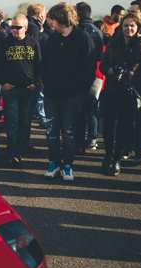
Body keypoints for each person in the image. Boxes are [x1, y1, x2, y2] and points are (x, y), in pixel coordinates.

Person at [42, 2, 94, 181]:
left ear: (61, 19)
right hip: (51, 94)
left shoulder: (83, 38)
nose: (50, 23)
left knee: (69, 132)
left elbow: (89, 69)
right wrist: (46, 85)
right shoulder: (52, 39)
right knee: (52, 131)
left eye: (52, 19)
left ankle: (67, 165)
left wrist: (79, 91)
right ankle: (54, 162)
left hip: (73, 96)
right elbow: (45, 66)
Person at [99, 13, 141, 176]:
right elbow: (103, 64)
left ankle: (116, 159)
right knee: (108, 126)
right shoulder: (114, 41)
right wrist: (112, 70)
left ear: (137, 27)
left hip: (129, 90)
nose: (129, 29)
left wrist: (129, 71)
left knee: (124, 126)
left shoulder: (140, 41)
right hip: (112, 89)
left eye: (132, 26)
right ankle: (108, 155)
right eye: (126, 25)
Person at [0, 14, 42, 167]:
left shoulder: (33, 42)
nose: (14, 30)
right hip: (11, 90)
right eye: (12, 27)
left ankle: (23, 147)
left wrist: (35, 83)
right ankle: (13, 153)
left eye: (18, 27)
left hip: (28, 89)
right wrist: (3, 82)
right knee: (12, 122)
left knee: (25, 120)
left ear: (26, 28)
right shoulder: (5, 42)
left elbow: (39, 65)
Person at [75, 2, 104, 153]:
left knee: (79, 111)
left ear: (78, 14)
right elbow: (100, 55)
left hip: (78, 76)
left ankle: (79, 142)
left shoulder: (77, 31)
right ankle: (92, 138)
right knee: (92, 108)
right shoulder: (98, 31)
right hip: (94, 75)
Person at [27, 3, 48, 134]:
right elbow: (35, 49)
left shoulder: (28, 25)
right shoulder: (34, 27)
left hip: (26, 72)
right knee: (37, 99)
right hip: (34, 72)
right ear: (40, 15)